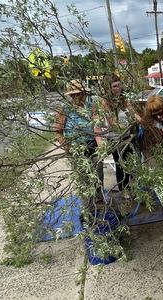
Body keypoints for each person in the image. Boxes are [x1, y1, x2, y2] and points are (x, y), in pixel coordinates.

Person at [54, 79, 104, 208]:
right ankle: (87, 206)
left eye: (82, 94)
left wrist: (101, 146)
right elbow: (58, 131)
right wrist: (68, 148)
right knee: (83, 179)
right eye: (76, 94)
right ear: (71, 95)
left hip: (92, 144)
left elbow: (96, 127)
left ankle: (99, 201)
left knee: (98, 173)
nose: (80, 96)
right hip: (75, 148)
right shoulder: (65, 108)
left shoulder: (90, 105)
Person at [95, 74, 139, 193]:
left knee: (131, 163)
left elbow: (132, 113)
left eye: (119, 85)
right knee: (120, 165)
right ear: (108, 88)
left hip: (126, 137)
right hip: (115, 139)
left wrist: (140, 120)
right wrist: (127, 126)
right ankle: (124, 190)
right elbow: (113, 123)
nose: (118, 88)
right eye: (114, 86)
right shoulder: (104, 103)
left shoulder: (123, 99)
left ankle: (133, 189)